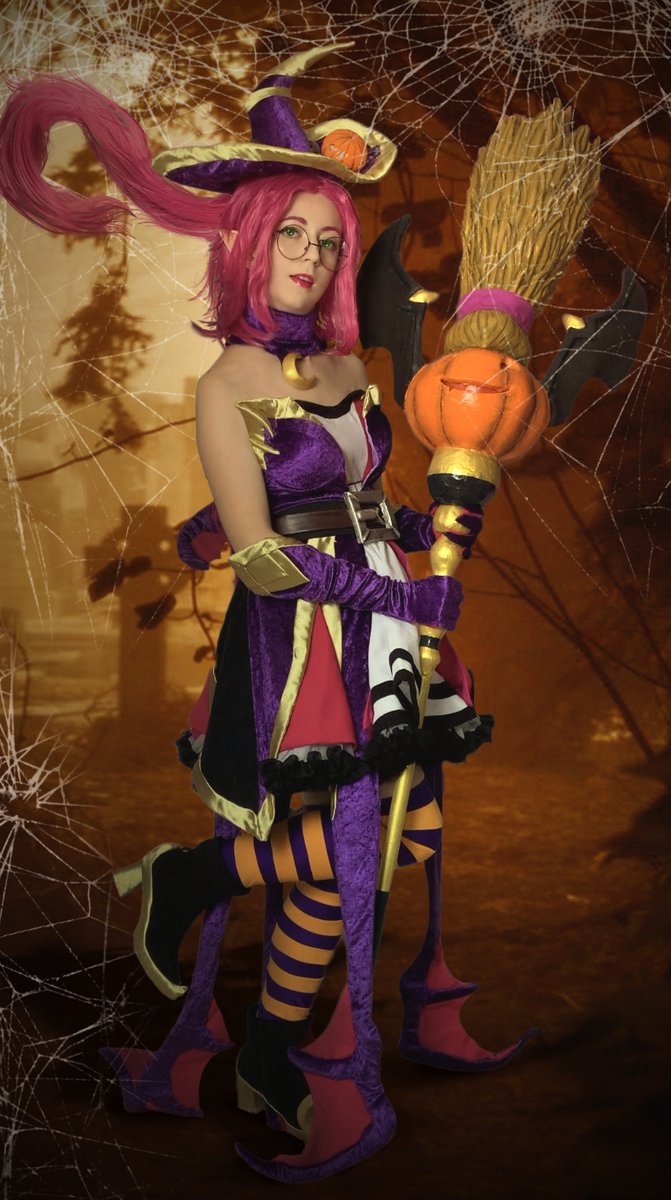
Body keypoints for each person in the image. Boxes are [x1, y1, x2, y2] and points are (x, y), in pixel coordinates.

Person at [0, 45, 518, 1180]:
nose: (312, 255)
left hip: (387, 626)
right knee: (343, 848)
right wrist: (394, 589)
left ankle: (224, 944)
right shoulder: (226, 384)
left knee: (394, 838)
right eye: (292, 232)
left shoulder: (347, 367)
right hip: (301, 635)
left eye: (327, 240)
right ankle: (240, 977)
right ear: (246, 239)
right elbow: (263, 556)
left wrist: (430, 522)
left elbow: (357, 494)